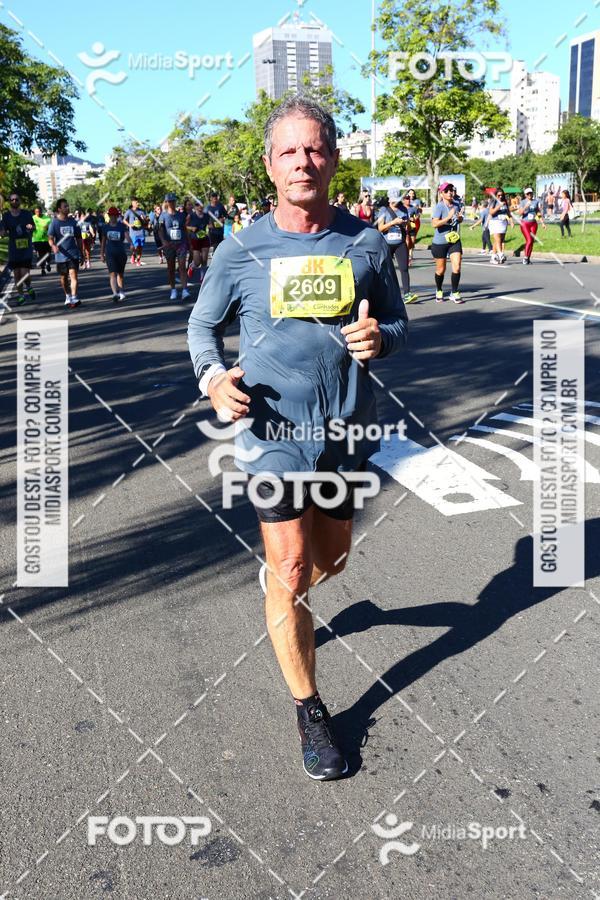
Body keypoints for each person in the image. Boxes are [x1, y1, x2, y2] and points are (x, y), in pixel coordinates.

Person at [188, 95, 408, 781]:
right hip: (272, 437)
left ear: (335, 158)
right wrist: (212, 378)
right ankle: (310, 709)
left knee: (332, 561)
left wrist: (381, 338)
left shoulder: (366, 243)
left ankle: (291, 593)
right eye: (289, 151)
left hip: (344, 433)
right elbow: (202, 328)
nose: (302, 161)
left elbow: (399, 324)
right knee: (288, 572)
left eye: (314, 149)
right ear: (270, 164)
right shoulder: (241, 247)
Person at [376, 192, 418, 303]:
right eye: (393, 199)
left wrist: (407, 223)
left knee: (404, 268)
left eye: (397, 199)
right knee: (386, 270)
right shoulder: (383, 210)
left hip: (400, 242)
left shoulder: (403, 209)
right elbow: (380, 228)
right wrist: (393, 222)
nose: (396, 201)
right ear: (389, 199)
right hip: (387, 243)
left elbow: (408, 227)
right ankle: (384, 294)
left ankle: (407, 294)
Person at [430, 183, 465, 303]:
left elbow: (459, 218)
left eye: (451, 190)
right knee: (441, 269)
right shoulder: (439, 207)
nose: (450, 192)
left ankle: (454, 292)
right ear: (441, 194)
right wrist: (447, 218)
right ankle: (439, 289)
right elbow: (434, 224)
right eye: (446, 191)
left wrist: (460, 218)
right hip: (440, 242)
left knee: (457, 265)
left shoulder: (456, 204)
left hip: (454, 240)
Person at [0, 191, 35, 304]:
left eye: (16, 199)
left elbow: (33, 226)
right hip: (14, 248)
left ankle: (28, 287)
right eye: (12, 199)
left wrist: (31, 226)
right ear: (9, 202)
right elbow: (3, 232)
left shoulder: (26, 213)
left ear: (19, 201)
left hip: (25, 247)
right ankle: (21, 295)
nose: (14, 201)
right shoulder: (6, 216)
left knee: (25, 273)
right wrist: (3, 232)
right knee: (16, 274)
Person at [48, 198, 83, 308]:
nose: (67, 208)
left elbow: (78, 238)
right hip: (60, 255)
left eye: (68, 206)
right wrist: (53, 246)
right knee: (64, 278)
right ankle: (67, 295)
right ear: (59, 209)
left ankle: (74, 297)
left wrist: (81, 252)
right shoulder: (54, 223)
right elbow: (50, 238)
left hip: (73, 253)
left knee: (73, 275)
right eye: (65, 206)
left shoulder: (73, 222)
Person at [159, 192, 190, 301]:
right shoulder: (163, 216)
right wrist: (164, 241)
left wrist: (189, 243)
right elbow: (160, 230)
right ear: (166, 202)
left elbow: (185, 230)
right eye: (170, 201)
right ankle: (173, 289)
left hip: (181, 244)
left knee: (182, 267)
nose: (172, 203)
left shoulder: (181, 215)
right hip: (169, 245)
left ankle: (185, 290)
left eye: (173, 201)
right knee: (171, 269)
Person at [100, 206, 130, 302]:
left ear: (117, 216)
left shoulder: (121, 226)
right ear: (109, 216)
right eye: (111, 215)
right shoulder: (105, 227)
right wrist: (102, 254)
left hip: (121, 253)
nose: (113, 217)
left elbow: (127, 237)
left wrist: (132, 244)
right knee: (112, 273)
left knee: (120, 274)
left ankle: (121, 291)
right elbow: (103, 242)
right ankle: (115, 293)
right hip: (110, 253)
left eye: (115, 215)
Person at [517, 188, 546, 265]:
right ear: (525, 195)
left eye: (531, 193)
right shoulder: (522, 202)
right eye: (528, 194)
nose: (529, 195)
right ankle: (525, 258)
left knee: (531, 241)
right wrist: (526, 207)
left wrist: (542, 223)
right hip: (525, 223)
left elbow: (538, 212)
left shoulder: (536, 201)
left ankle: (528, 258)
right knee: (529, 240)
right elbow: (519, 213)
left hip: (533, 223)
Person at [185, 199, 210, 282]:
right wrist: (191, 228)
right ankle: (192, 267)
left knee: (204, 259)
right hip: (195, 239)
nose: (199, 207)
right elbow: (184, 226)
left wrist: (210, 227)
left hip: (204, 238)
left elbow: (210, 225)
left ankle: (202, 277)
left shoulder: (206, 215)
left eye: (200, 205)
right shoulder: (191, 216)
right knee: (197, 261)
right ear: (195, 207)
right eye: (197, 205)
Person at [488, 188, 515, 265]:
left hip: (503, 222)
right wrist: (499, 206)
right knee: (498, 239)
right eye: (498, 195)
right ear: (496, 195)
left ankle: (493, 257)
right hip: (495, 222)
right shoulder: (493, 201)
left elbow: (508, 212)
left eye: (502, 195)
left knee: (498, 240)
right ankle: (500, 254)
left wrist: (511, 221)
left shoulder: (505, 202)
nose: (500, 196)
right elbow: (491, 212)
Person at [123, 198, 148, 266]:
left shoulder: (141, 212)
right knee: (135, 247)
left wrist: (144, 219)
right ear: (132, 203)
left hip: (141, 232)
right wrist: (129, 225)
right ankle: (134, 255)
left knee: (140, 247)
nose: (138, 204)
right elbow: (124, 220)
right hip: (133, 233)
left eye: (138, 202)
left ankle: (138, 260)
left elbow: (146, 221)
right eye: (136, 202)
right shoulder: (129, 211)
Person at [32, 206, 52, 274]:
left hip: (46, 239)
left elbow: (51, 229)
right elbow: (30, 227)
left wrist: (47, 228)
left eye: (39, 211)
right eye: (36, 212)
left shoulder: (48, 219)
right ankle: (43, 269)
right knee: (40, 255)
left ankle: (48, 263)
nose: (38, 213)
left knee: (48, 254)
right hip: (37, 240)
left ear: (41, 211)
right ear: (34, 212)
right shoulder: (33, 218)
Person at [405, 189, 422, 264]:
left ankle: (410, 255)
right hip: (405, 226)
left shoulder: (415, 204)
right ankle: (406, 255)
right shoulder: (402, 206)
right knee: (406, 241)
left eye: (412, 193)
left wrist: (415, 218)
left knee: (412, 241)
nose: (411, 195)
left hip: (413, 224)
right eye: (410, 194)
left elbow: (419, 212)